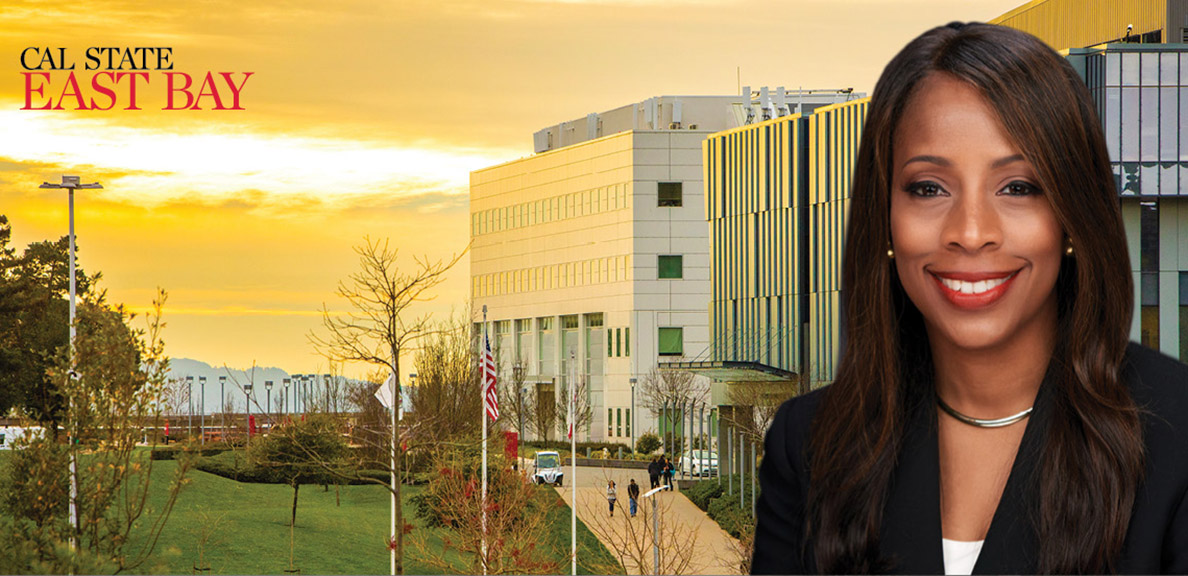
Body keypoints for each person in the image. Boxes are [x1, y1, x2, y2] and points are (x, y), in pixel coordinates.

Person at [751, 22, 1188, 575]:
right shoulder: (811, 445)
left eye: (1018, 187)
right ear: (885, 220)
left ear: (1071, 216)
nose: (971, 230)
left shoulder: (1178, 440)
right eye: (929, 188)